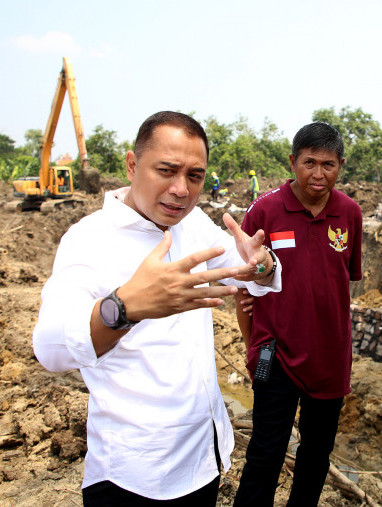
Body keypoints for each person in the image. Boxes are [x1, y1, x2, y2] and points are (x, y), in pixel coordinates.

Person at [32, 111, 282, 504]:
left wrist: (262, 265)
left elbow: (242, 271)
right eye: (166, 170)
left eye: (195, 176)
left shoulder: (192, 223)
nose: (181, 189)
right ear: (132, 165)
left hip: (203, 456)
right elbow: (50, 349)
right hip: (135, 473)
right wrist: (125, 306)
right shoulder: (89, 239)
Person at [233, 122, 362, 506]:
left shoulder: (350, 214)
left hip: (329, 359)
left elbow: (347, 280)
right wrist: (250, 344)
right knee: (265, 451)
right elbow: (243, 290)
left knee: (315, 456)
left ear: (340, 164)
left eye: (328, 164)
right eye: (309, 162)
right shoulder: (265, 211)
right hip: (276, 356)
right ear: (293, 162)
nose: (318, 174)